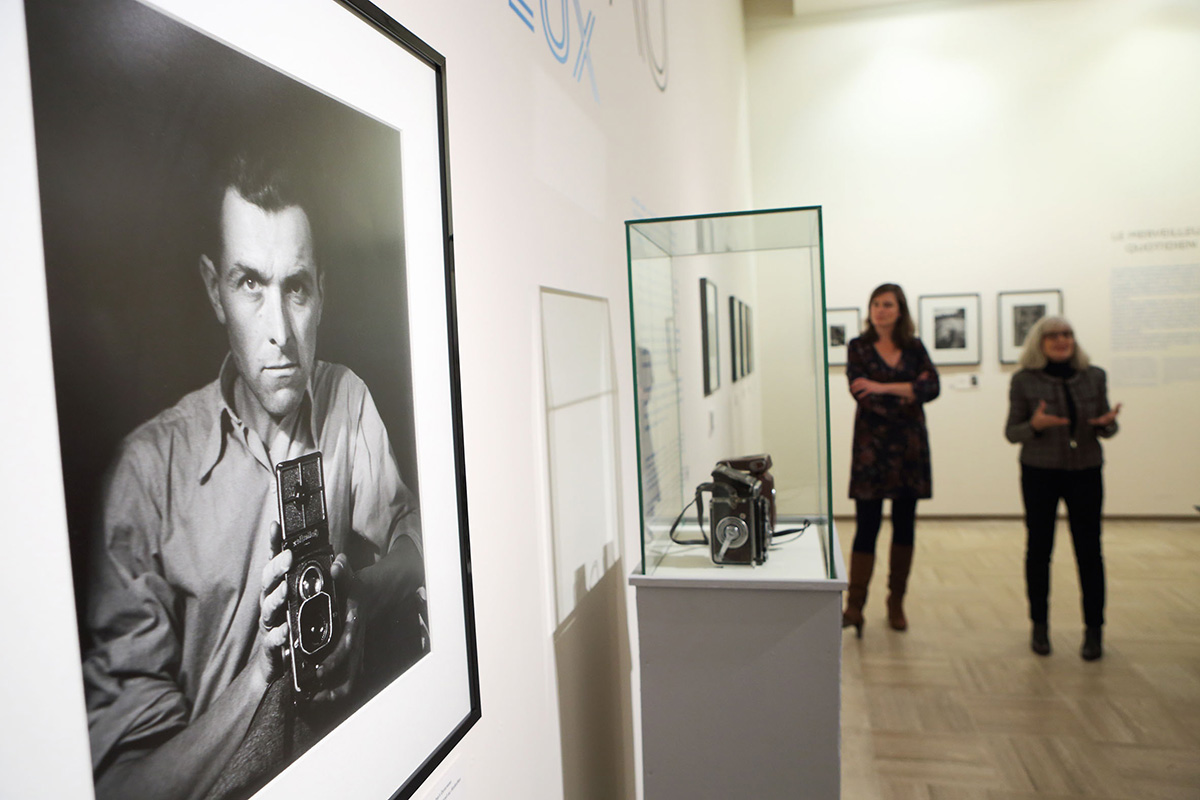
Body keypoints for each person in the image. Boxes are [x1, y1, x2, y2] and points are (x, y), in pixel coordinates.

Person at [82, 150, 426, 800]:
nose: (280, 335)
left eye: (295, 288)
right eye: (250, 285)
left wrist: (355, 599)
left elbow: (418, 548)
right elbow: (124, 787)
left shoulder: (347, 402)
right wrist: (261, 674)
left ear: (321, 291)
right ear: (214, 290)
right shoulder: (146, 476)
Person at [1005, 316, 1120, 660]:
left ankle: (1094, 631)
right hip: (1040, 471)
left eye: (1067, 334)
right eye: (1053, 336)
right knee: (1040, 549)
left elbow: (1106, 427)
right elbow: (1012, 432)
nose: (1061, 340)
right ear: (1039, 343)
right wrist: (1035, 426)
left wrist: (1106, 425)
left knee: (1089, 550)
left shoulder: (1094, 376)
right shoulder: (1024, 381)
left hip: (1085, 470)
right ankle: (1039, 626)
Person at [842, 284, 940, 637]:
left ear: (900, 310)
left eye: (888, 304)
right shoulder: (858, 347)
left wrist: (883, 386)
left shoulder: (914, 348)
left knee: (905, 526)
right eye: (876, 304)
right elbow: (860, 391)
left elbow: (932, 388)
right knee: (866, 527)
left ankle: (895, 602)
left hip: (910, 452)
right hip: (871, 452)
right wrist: (907, 389)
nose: (881, 310)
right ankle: (855, 606)